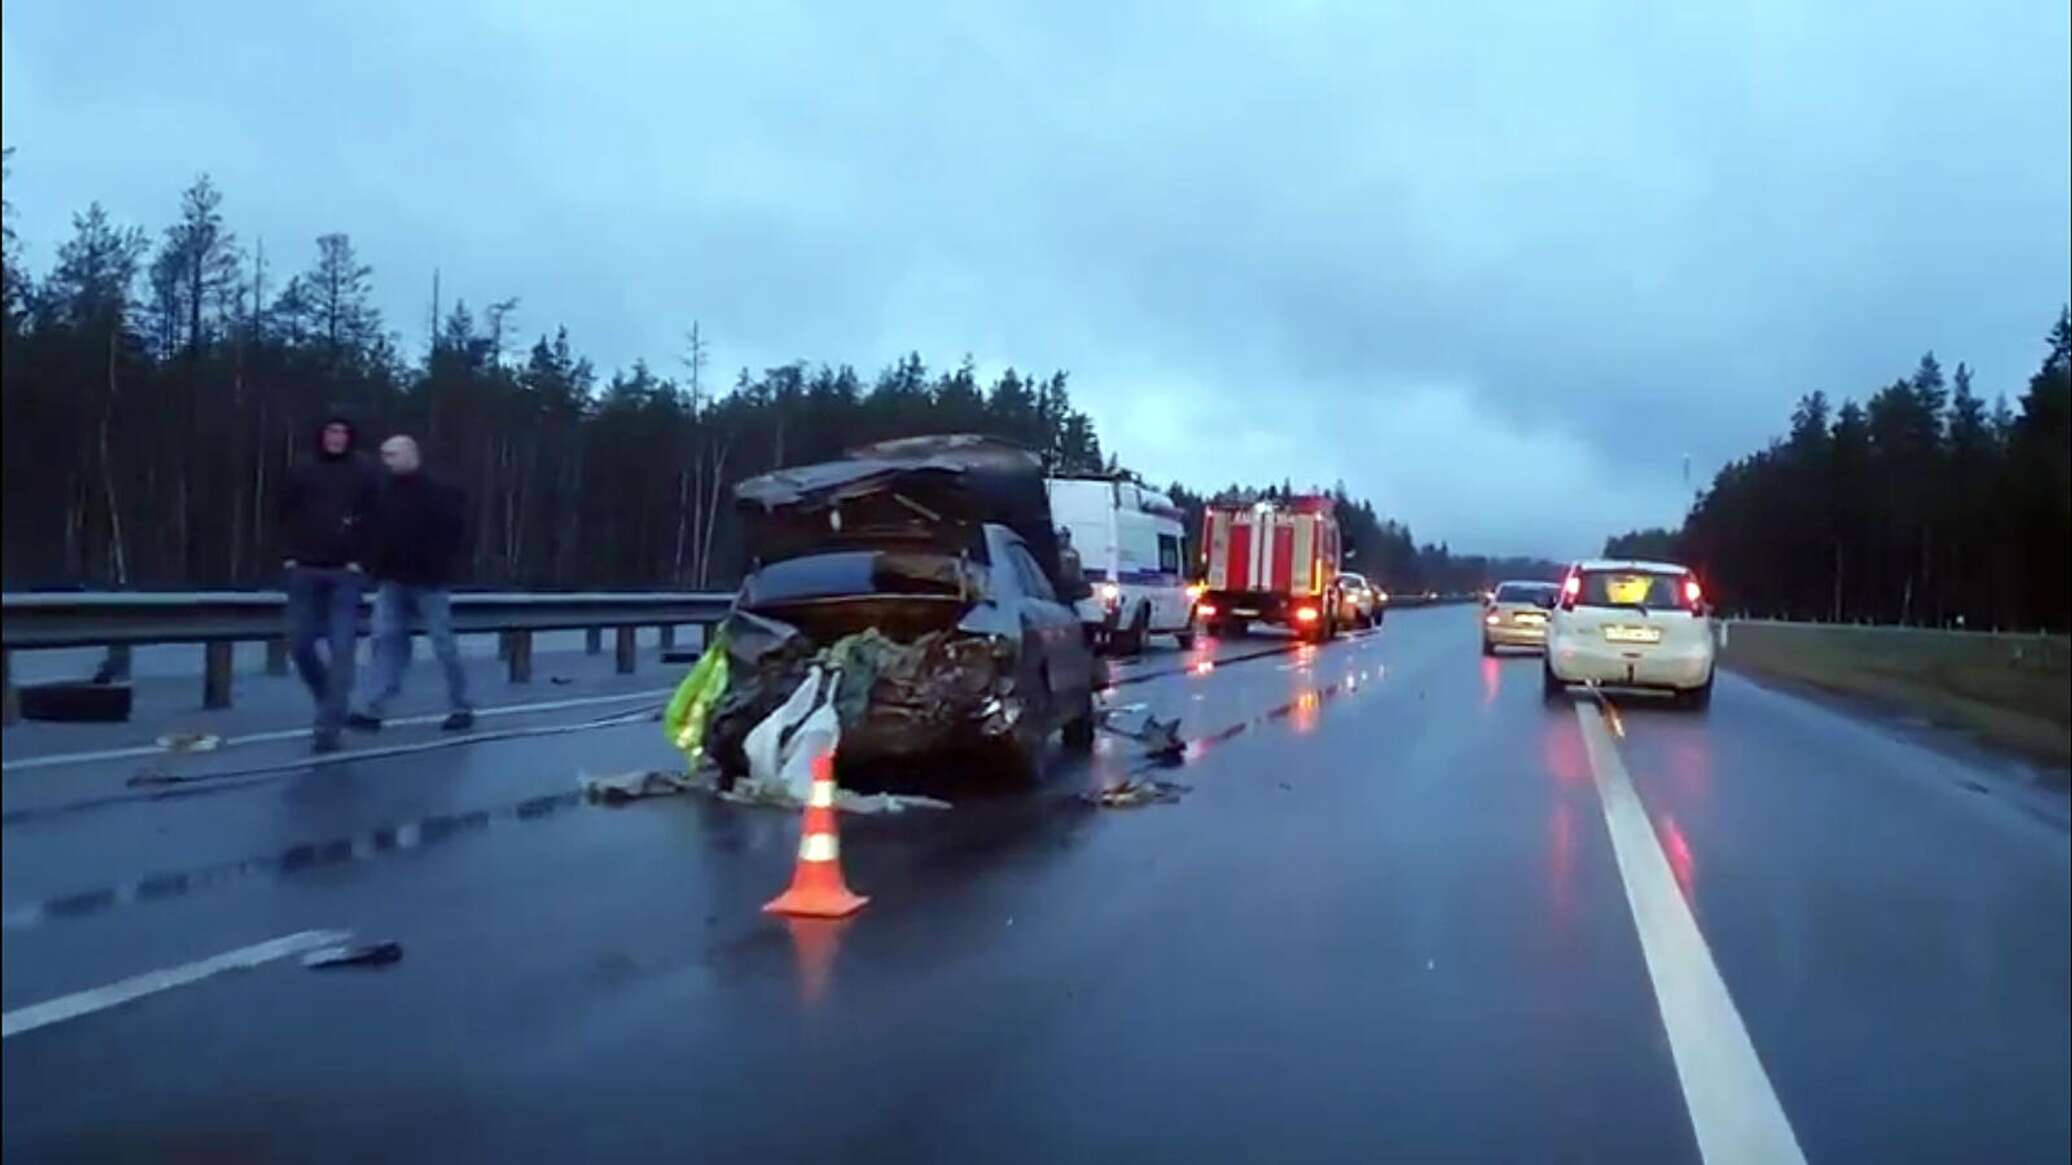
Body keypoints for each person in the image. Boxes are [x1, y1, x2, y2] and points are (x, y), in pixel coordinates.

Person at [349, 435, 473, 732]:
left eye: (392, 455)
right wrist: (371, 565)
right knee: (385, 641)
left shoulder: (437, 492)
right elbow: (376, 532)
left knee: (443, 645)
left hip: (429, 581)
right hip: (392, 580)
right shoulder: (383, 492)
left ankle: (461, 706)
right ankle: (374, 707)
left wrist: (439, 565)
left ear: (410, 454)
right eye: (384, 455)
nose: (386, 461)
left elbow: (455, 532)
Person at [280, 413, 378, 753]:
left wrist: (362, 560)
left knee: (342, 650)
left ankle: (327, 729)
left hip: (345, 574)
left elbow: (376, 518)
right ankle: (331, 703)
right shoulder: (302, 469)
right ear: (320, 435)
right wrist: (288, 555)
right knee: (300, 644)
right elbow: (282, 513)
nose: (336, 437)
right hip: (304, 569)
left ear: (351, 437)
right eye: (331, 431)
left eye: (342, 432)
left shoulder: (364, 471)